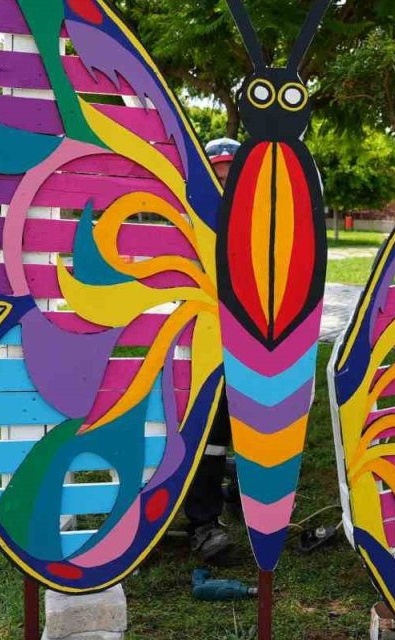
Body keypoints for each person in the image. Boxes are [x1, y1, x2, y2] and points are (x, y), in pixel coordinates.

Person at [183, 137, 242, 561]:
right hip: (206, 341)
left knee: (260, 427)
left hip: (257, 342)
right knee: (210, 432)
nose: (224, 188)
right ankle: (203, 522)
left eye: (232, 179)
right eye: (216, 179)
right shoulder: (189, 225)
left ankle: (247, 499)